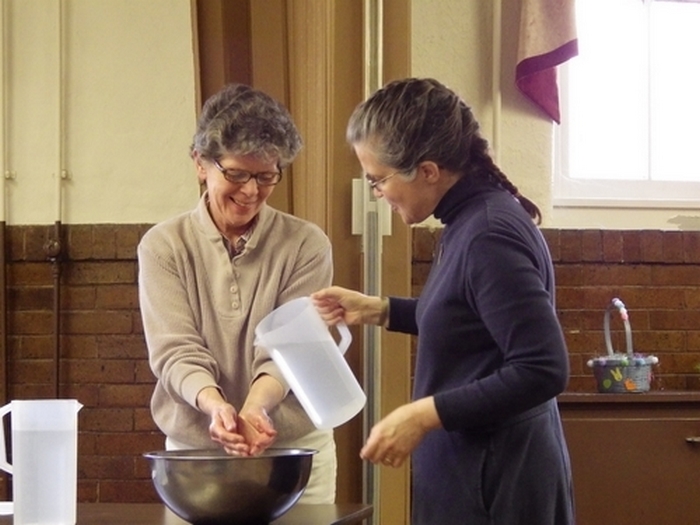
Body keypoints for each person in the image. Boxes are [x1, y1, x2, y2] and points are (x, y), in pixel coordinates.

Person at [311, 78, 574, 524]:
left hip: (498, 480)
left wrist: (424, 414)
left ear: (428, 171)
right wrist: (382, 309)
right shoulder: (469, 220)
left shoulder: (487, 234)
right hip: (482, 470)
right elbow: (471, 319)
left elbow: (543, 368)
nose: (378, 194)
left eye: (379, 181)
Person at [138, 83, 336, 503]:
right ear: (200, 163)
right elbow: (176, 351)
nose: (251, 192)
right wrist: (217, 407)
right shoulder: (164, 246)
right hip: (198, 453)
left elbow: (295, 348)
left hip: (292, 449)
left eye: (266, 176)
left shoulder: (305, 244)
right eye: (236, 174)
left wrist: (255, 408)